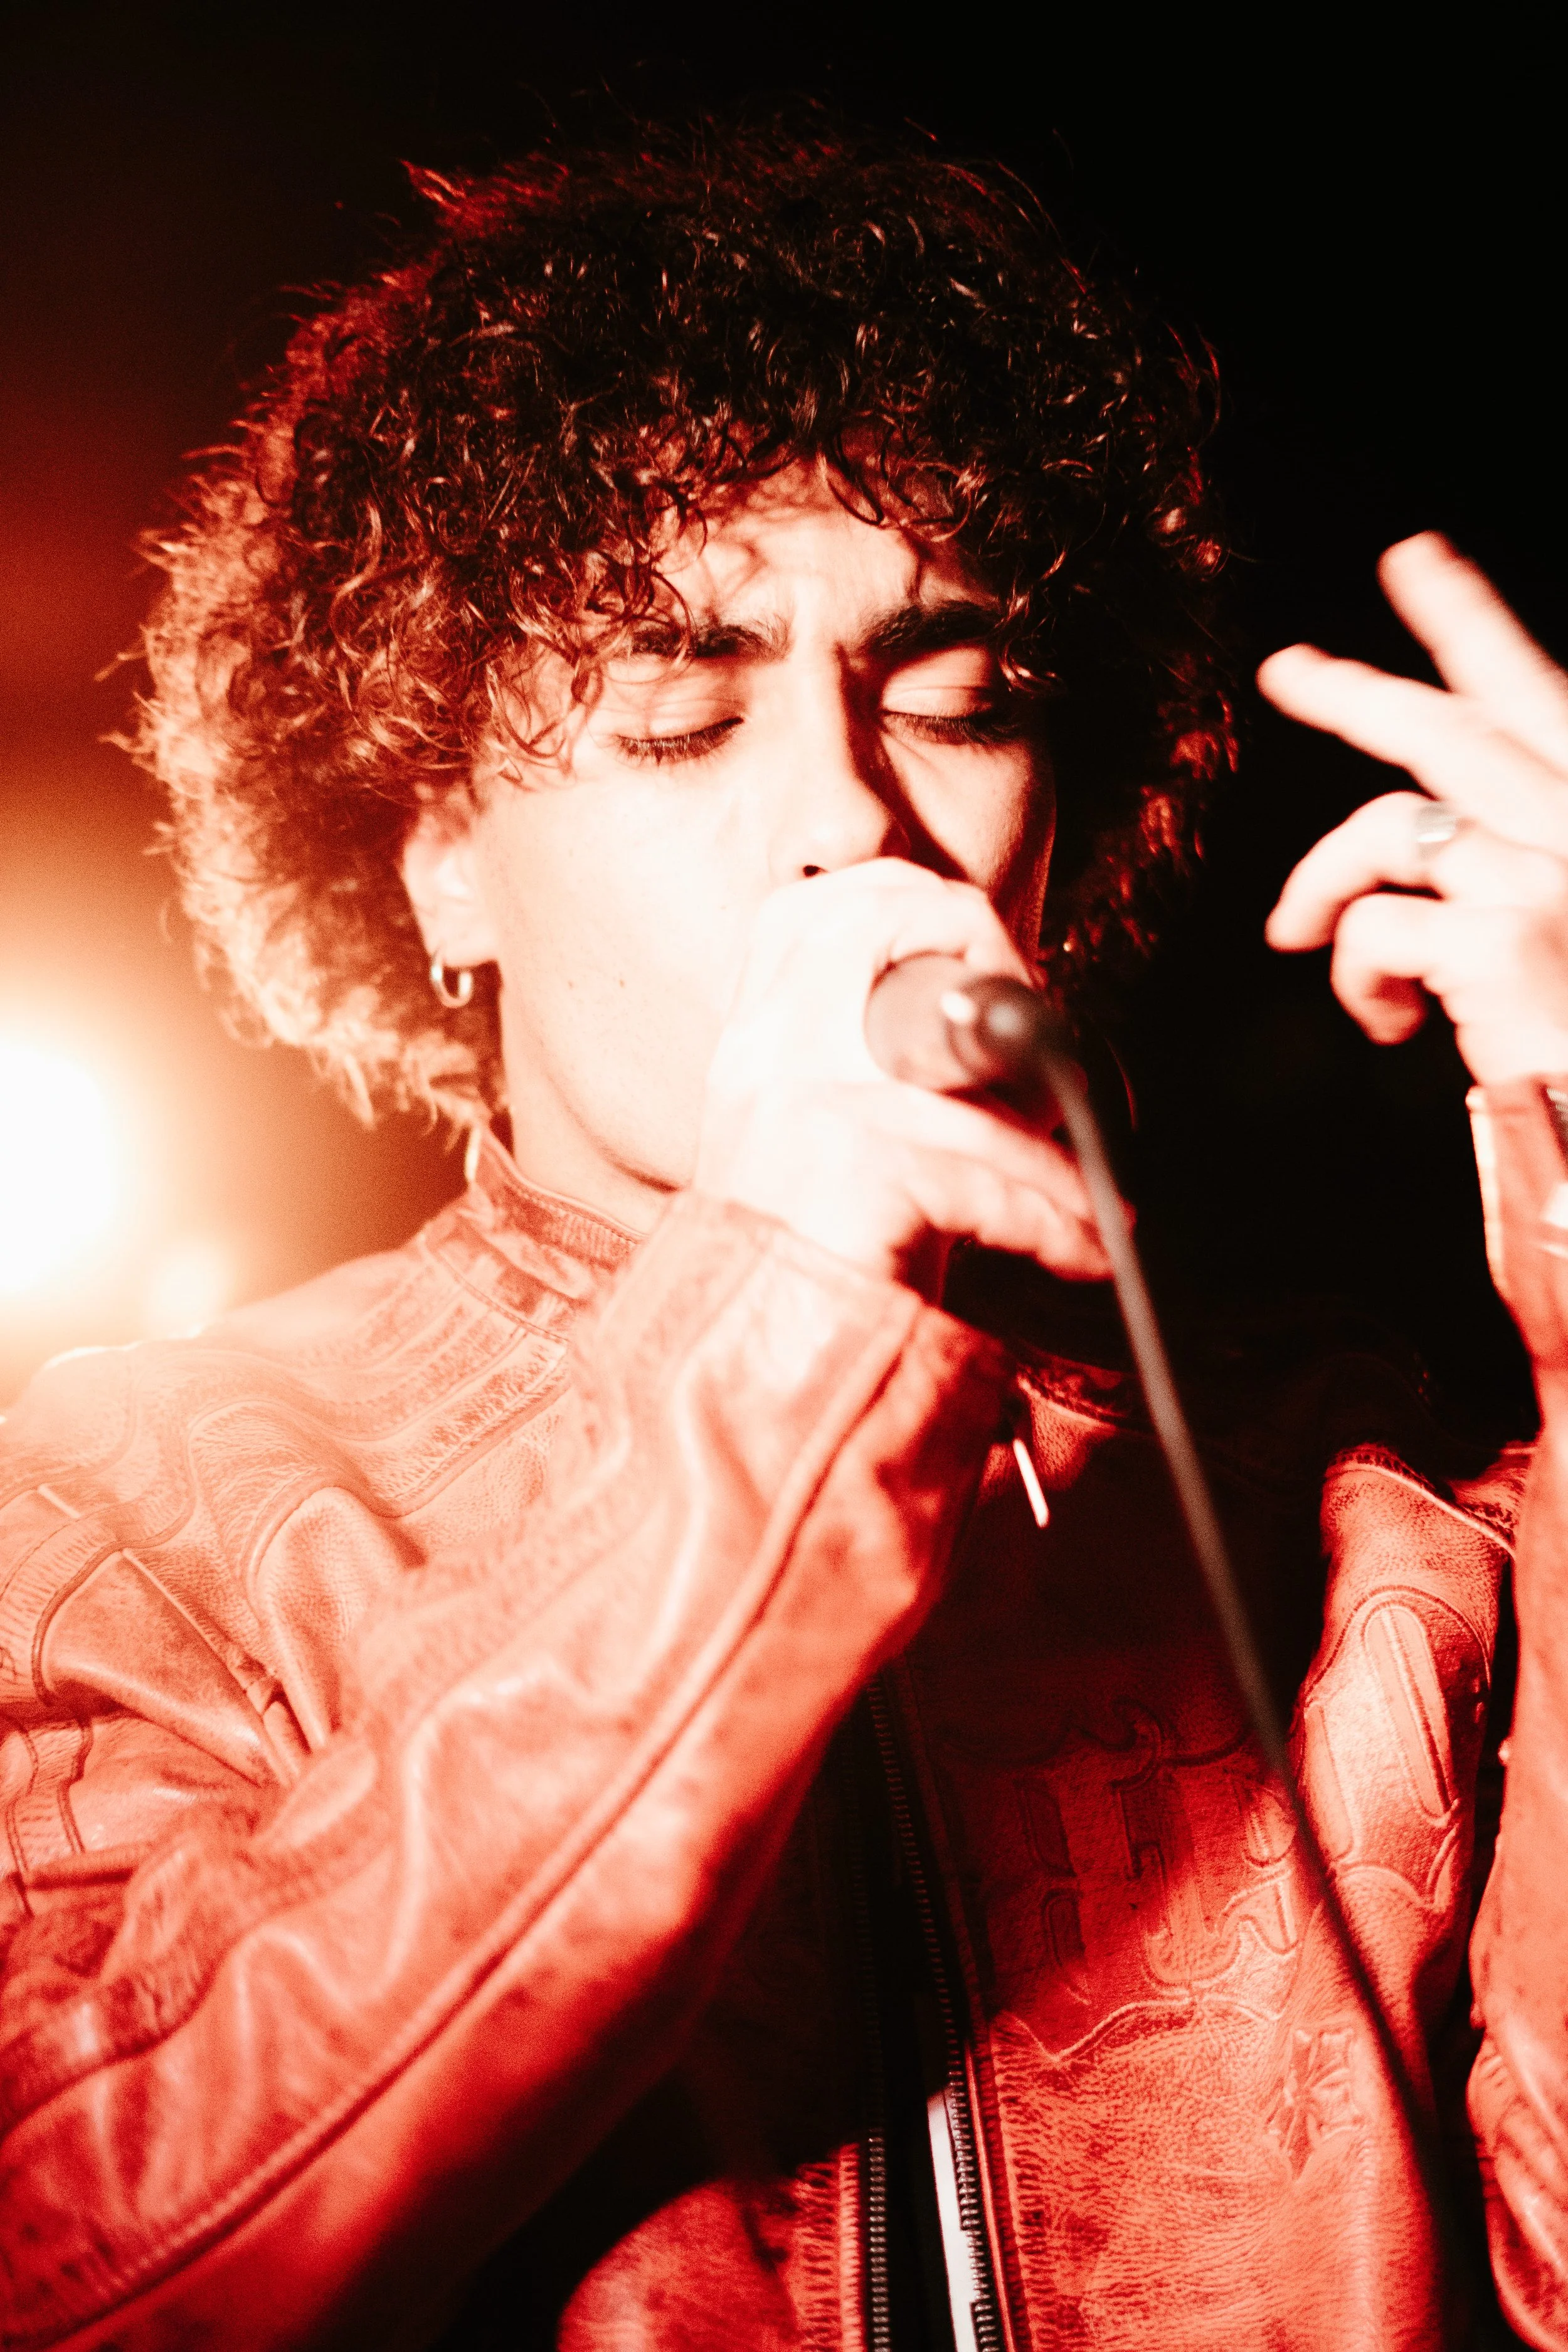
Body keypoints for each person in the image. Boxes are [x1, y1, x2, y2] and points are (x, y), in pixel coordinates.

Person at [2, 112, 1566, 2352]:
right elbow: (77, 2264)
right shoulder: (136, 1506)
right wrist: (778, 1338)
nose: (849, 808)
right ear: (435, 854)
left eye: (955, 695)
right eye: (679, 714)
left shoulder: (1342, 1492)